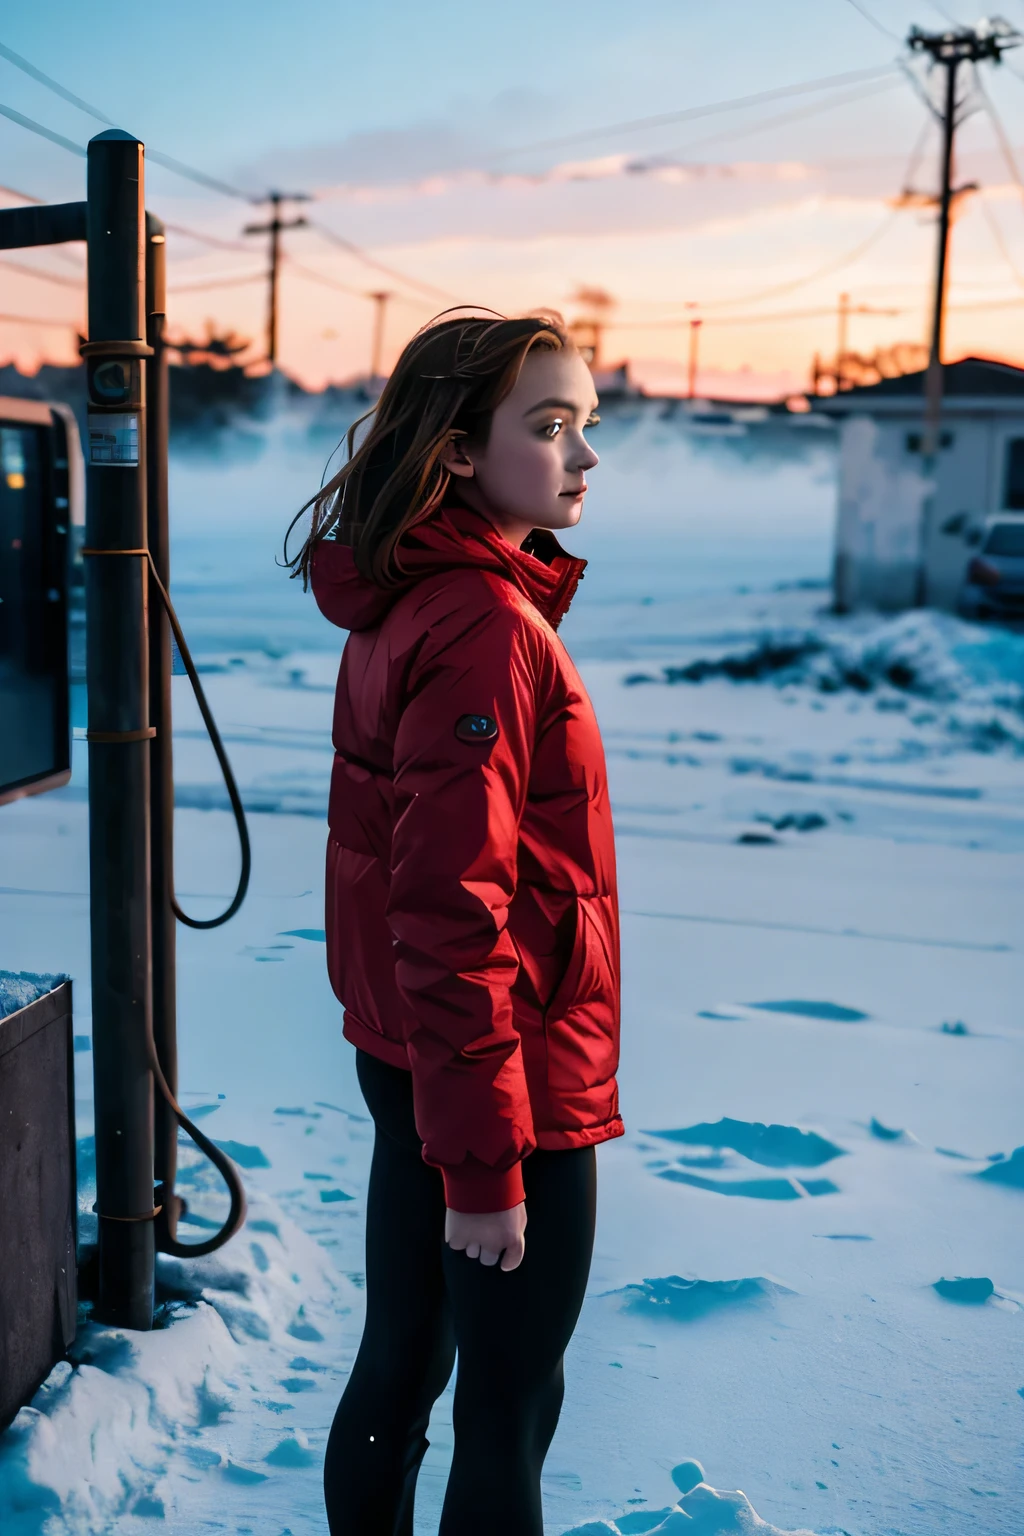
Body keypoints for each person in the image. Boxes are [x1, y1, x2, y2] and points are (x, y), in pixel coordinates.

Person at [286, 311, 622, 1535]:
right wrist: (485, 1166)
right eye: (548, 427)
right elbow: (447, 898)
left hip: (418, 1061)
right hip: (503, 1082)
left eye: (584, 424)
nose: (583, 457)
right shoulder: (481, 621)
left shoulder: (412, 597)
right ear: (460, 452)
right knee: (507, 1406)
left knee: (404, 1361)